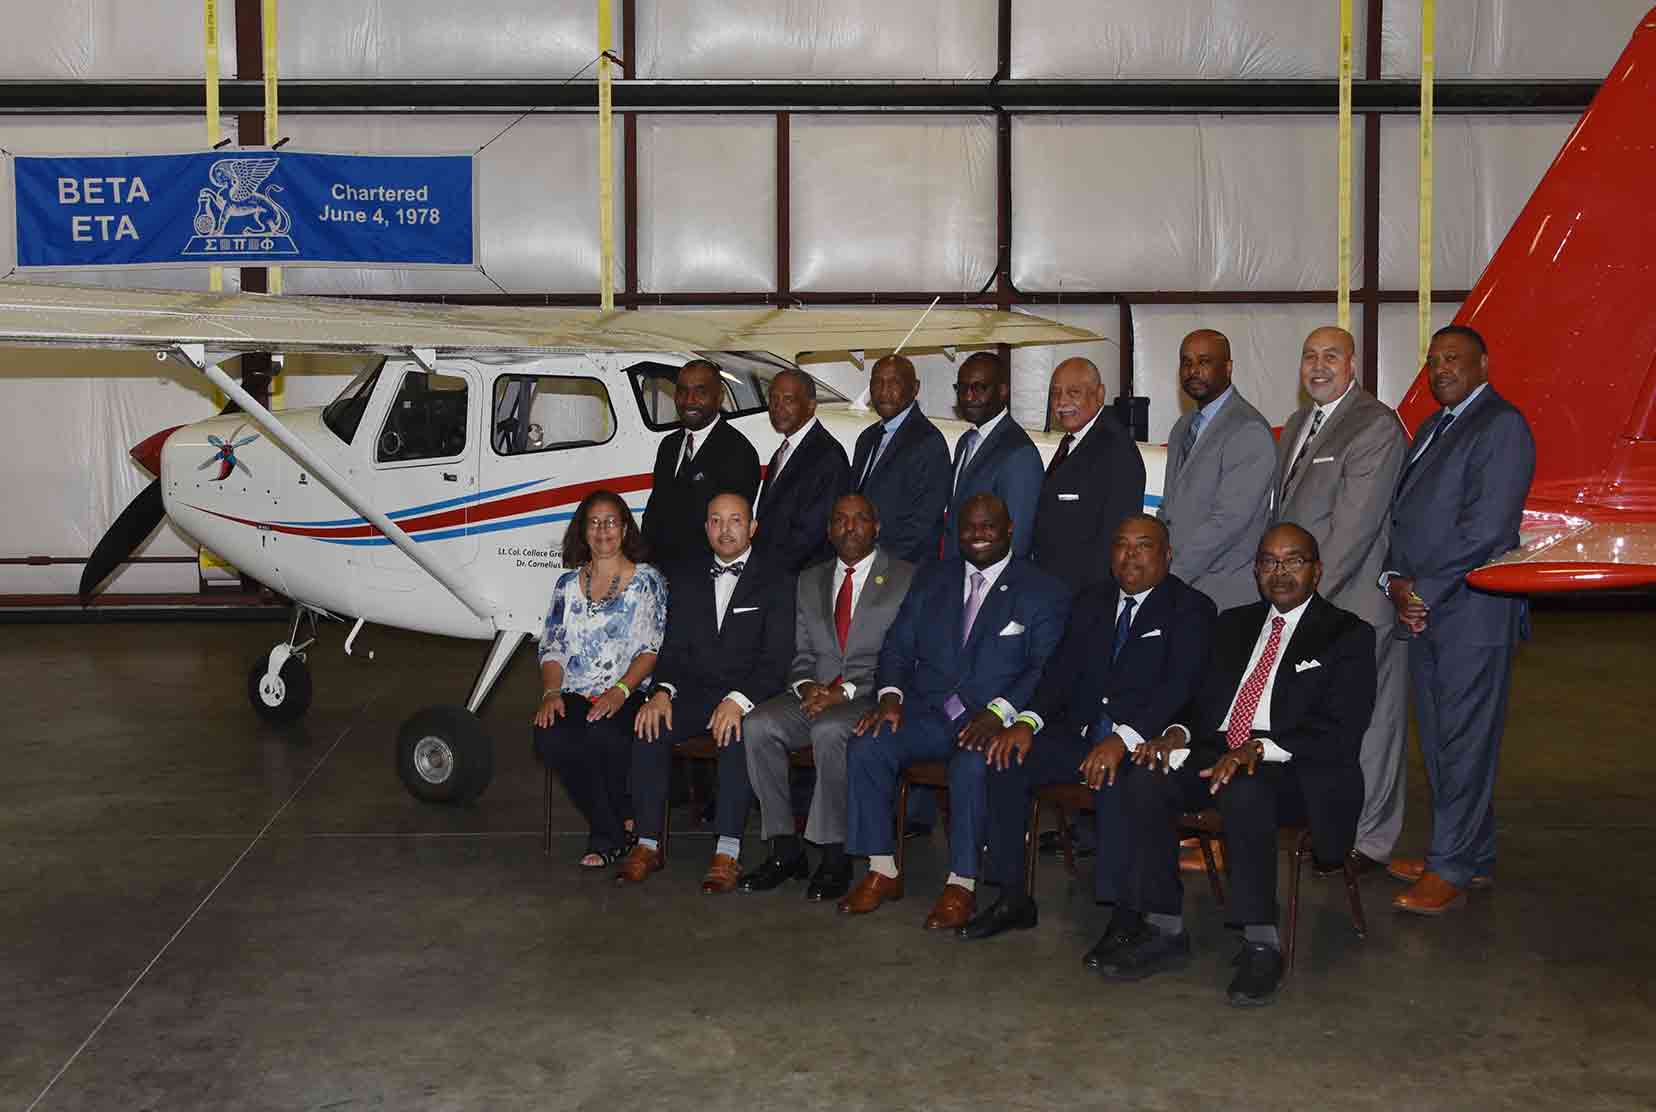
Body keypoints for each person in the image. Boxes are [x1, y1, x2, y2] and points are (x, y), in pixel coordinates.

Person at [1095, 525, 1375, 1007]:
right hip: (1218, 751)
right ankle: (1163, 926)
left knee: (1248, 791)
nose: (1280, 572)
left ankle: (1261, 942)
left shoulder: (1347, 635)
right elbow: (1196, 707)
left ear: (1317, 569)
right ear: (1256, 572)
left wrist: (1260, 749)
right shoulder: (1233, 625)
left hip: (1295, 768)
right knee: (1144, 777)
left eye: (1293, 561)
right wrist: (1172, 736)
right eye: (1268, 562)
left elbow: (1340, 730)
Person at [960, 515, 1215, 949]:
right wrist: (1026, 722)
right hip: (1079, 735)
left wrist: (1122, 740)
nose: (1130, 555)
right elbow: (1058, 674)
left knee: (1120, 778)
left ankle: (1126, 913)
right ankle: (1011, 894)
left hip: (1144, 743)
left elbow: (1179, 689)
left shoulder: (1191, 609)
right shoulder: (1091, 601)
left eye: (1143, 545)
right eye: (1121, 545)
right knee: (1006, 755)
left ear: (1167, 555)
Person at [839, 494, 1070, 929]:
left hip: (992, 721)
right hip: (928, 713)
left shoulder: (1042, 590)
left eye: (988, 527)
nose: (978, 535)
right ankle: (882, 868)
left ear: (1010, 531)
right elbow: (897, 646)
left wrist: (1000, 714)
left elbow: (1045, 668)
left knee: (972, 763)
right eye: (969, 528)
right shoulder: (933, 579)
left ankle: (961, 883)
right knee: (868, 742)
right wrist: (890, 695)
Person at [1381, 324, 1535, 915]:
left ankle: (1450, 863)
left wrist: (1424, 593)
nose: (1441, 368)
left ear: (1483, 363)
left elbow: (1489, 529)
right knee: (1443, 742)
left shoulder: (1501, 425)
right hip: (1425, 609)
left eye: (1454, 358)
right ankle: (1471, 854)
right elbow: (1404, 518)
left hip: (1471, 614)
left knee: (1464, 741)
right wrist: (1393, 582)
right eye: (1433, 359)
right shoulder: (1430, 427)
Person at [1273, 326, 1409, 873]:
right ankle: (1331, 834)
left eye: (1331, 356)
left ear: (1353, 364)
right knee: (1326, 732)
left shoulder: (1373, 425)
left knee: (1373, 729)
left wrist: (1302, 607)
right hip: (1311, 605)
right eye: (1309, 356)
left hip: (1351, 607)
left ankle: (1372, 843)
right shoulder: (1301, 425)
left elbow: (1354, 531)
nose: (1318, 366)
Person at [739, 494, 917, 901]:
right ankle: (784, 848)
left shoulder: (905, 577)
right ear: (828, 530)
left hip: (870, 694)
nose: (849, 527)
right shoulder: (810, 579)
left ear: (876, 527)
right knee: (759, 724)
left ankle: (834, 856)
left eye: (859, 519)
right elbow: (800, 652)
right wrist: (806, 686)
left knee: (831, 730)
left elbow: (902, 654)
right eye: (839, 520)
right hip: (813, 692)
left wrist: (843, 692)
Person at [619, 492, 795, 892]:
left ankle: (727, 851)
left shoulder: (777, 578)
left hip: (748, 694)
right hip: (694, 692)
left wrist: (737, 700)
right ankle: (648, 842)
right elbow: (673, 648)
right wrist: (661, 691)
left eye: (735, 520)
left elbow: (777, 658)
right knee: (648, 725)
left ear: (752, 528)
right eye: (716, 520)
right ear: (706, 529)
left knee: (735, 733)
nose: (725, 529)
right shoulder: (685, 576)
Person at [532, 491, 668, 869]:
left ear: (625, 528)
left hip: (629, 692)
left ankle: (606, 836)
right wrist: (551, 693)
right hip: (575, 691)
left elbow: (651, 649)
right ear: (582, 531)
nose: (602, 530)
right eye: (594, 522)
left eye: (610, 521)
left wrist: (620, 692)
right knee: (549, 735)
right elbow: (553, 648)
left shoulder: (648, 581)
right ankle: (614, 822)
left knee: (600, 733)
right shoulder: (565, 585)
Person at [1158, 330, 1276, 609]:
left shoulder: (1249, 429)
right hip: (1180, 586)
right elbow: (1169, 509)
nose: (1193, 371)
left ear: (1228, 367)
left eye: (1204, 361)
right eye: (1186, 362)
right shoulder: (1182, 428)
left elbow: (1229, 521)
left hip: (1224, 594)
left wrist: (1172, 574)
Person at [1031, 357, 1146, 594]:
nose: (1062, 401)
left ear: (1100, 394)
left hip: (1081, 598)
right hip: (1051, 591)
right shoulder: (1074, 439)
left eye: (1074, 392)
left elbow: (1114, 545)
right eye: (1055, 393)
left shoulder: (1116, 451)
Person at [640, 359, 761, 567]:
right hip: (661, 574)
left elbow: (729, 532)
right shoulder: (669, 446)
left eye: (700, 391)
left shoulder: (738, 452)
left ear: (719, 397)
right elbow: (654, 514)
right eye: (682, 391)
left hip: (704, 579)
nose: (689, 400)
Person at [849, 355, 952, 564]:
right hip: (862, 565)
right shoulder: (867, 438)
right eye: (877, 382)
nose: (884, 391)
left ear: (915, 388)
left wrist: (877, 564)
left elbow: (923, 522)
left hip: (902, 571)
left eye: (894, 382)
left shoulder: (929, 442)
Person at [943, 351, 1044, 561]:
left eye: (980, 388)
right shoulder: (966, 441)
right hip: (955, 573)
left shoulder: (1019, 452)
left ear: (1003, 391)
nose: (969, 397)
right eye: (962, 388)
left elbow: (1018, 541)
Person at [752, 369, 851, 574]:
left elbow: (814, 534)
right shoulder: (784, 450)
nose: (778, 407)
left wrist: (765, 571)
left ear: (811, 406)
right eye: (774, 398)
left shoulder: (827, 455)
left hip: (802, 581)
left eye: (788, 399)